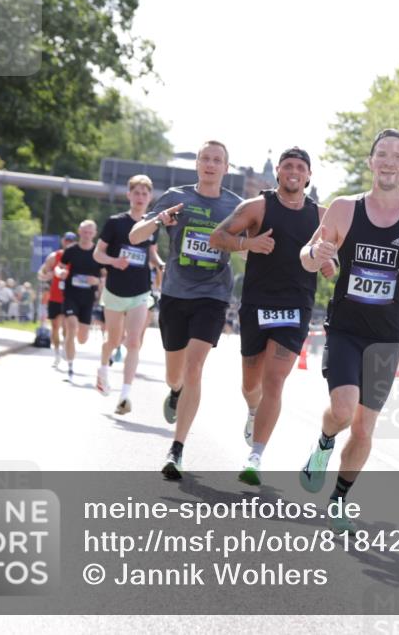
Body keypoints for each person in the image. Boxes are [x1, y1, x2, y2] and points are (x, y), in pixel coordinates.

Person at [298, 129, 399, 533]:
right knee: (344, 411)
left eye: (397, 155)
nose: (388, 161)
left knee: (366, 427)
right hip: (346, 330)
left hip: (385, 339)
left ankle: (338, 499)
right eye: (381, 153)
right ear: (371, 162)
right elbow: (307, 259)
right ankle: (324, 442)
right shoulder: (344, 210)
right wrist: (317, 252)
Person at [210, 147, 335, 486]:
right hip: (256, 303)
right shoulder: (257, 207)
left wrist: (329, 264)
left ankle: (256, 457)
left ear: (309, 176)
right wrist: (247, 245)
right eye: (288, 166)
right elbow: (217, 236)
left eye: (300, 167)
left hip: (296, 307)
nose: (294, 172)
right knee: (251, 383)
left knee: (274, 380)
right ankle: (253, 410)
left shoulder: (323, 217)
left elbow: (335, 261)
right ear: (278, 172)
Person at [129, 140, 242, 480]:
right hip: (176, 293)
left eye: (217, 160)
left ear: (225, 167)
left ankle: (176, 448)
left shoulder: (236, 207)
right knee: (175, 375)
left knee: (194, 369)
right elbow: (136, 236)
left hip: (213, 295)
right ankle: (175, 391)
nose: (210, 164)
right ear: (197, 164)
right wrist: (158, 221)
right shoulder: (175, 197)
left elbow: (250, 249)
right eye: (205, 158)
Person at [93, 174, 160, 414]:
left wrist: (160, 264)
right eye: (137, 193)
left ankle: (124, 395)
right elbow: (97, 254)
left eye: (145, 193)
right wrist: (113, 261)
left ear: (150, 197)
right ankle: (102, 369)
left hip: (140, 291)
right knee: (113, 340)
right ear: (129, 195)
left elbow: (152, 254)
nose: (141, 197)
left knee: (133, 341)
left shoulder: (152, 224)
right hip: (115, 291)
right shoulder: (115, 223)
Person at [55, 220, 103, 382]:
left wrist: (95, 281)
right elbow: (59, 266)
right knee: (71, 327)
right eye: (84, 232)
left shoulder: (98, 252)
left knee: (82, 338)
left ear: (94, 234)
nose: (87, 235)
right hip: (71, 295)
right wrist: (60, 272)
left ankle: (70, 345)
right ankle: (70, 366)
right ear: (79, 232)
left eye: (90, 232)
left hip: (88, 299)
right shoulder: (71, 250)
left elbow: (104, 276)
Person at [38, 232, 78, 367]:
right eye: (67, 240)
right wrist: (45, 276)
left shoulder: (77, 256)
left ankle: (65, 350)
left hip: (70, 296)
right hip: (55, 296)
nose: (69, 242)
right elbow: (41, 272)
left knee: (67, 328)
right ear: (63, 241)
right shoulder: (55, 256)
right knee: (55, 326)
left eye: (72, 240)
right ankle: (56, 354)